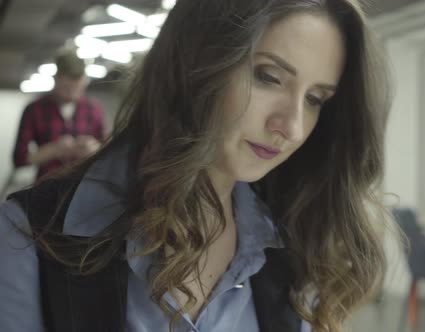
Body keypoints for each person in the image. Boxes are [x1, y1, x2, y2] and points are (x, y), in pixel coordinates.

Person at [0, 0, 393, 331]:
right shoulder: (25, 235)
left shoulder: (298, 238)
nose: (291, 127)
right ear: (195, 63)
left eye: (316, 99)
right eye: (268, 77)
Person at [12, 49, 105, 181]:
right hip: (46, 185)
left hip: (84, 183)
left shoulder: (94, 109)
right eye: (67, 87)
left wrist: (93, 149)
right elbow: (19, 159)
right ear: (56, 79)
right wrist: (53, 150)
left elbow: (106, 150)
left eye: (77, 87)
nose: (72, 93)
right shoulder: (34, 109)